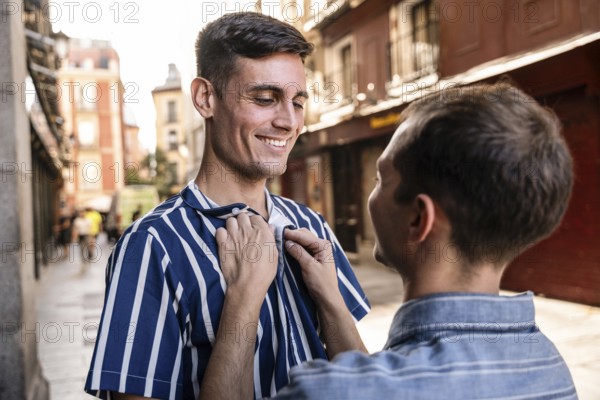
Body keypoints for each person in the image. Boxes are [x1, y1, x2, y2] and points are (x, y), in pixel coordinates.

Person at [205, 82, 577, 399]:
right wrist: (333, 302)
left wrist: (244, 297)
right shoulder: (548, 364)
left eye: (381, 178)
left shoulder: (332, 392)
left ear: (418, 218)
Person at [84, 12, 370, 400]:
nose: (288, 121)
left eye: (298, 102)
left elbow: (363, 387)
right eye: (265, 98)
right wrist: (243, 301)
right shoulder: (151, 246)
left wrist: (331, 303)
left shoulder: (312, 226)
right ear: (206, 98)